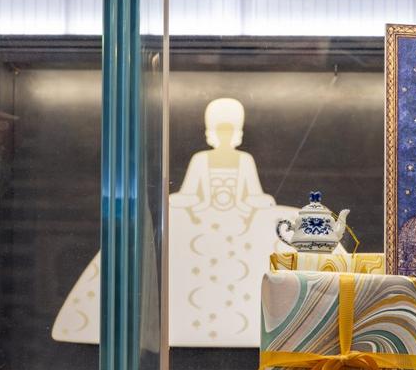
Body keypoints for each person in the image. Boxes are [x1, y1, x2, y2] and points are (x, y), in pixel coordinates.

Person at [52, 97, 297, 348]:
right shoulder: (201, 160)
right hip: (204, 217)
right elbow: (190, 193)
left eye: (229, 129)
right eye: (220, 129)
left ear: (237, 132)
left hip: (238, 218)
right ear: (210, 131)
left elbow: (254, 195)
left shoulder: (245, 160)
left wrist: (258, 201)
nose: (225, 135)